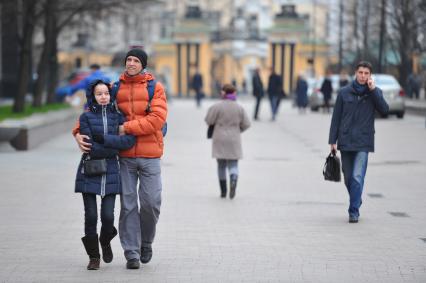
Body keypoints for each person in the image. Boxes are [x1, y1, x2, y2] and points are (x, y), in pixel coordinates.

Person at [73, 48, 168, 269]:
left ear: (143, 64)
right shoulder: (116, 88)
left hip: (151, 154)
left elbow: (156, 120)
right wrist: (77, 132)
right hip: (123, 157)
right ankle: (132, 253)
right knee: (128, 206)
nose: (131, 63)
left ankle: (146, 242)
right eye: (129, 60)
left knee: (151, 203)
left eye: (136, 60)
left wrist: (126, 128)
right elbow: (98, 111)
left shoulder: (156, 88)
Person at [75, 80, 136, 270]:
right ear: (92, 96)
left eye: (106, 93)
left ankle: (105, 239)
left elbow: (128, 141)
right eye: (99, 94)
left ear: (111, 95)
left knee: (108, 217)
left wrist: (105, 140)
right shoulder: (85, 118)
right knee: (91, 216)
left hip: (111, 169)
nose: (103, 97)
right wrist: (112, 145)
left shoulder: (119, 117)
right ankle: (94, 257)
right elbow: (89, 145)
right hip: (90, 169)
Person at [328, 61, 389, 223]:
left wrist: (373, 90)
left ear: (370, 76)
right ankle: (357, 199)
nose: (363, 76)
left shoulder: (374, 93)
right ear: (356, 73)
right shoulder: (344, 93)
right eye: (360, 72)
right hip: (346, 140)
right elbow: (336, 118)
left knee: (357, 176)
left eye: (366, 73)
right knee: (348, 177)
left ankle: (353, 210)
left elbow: (384, 110)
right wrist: (332, 140)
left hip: (364, 141)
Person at [205, 84, 251, 199]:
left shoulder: (217, 106)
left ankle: (223, 191)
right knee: (233, 164)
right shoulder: (239, 108)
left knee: (221, 165)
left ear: (223, 93)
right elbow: (247, 123)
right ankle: (234, 179)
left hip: (219, 137)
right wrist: (238, 129)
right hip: (234, 138)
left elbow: (208, 120)